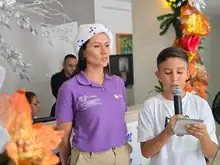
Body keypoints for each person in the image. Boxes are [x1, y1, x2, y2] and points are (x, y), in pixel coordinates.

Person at [56, 23, 130, 165]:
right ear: (83, 51)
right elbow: (63, 137)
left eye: (107, 45)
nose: (104, 51)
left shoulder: (118, 83)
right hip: (89, 159)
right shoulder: (69, 88)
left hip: (121, 155)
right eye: (97, 46)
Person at [137, 47, 218, 165]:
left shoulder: (201, 104)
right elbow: (146, 152)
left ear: (188, 74)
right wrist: (168, 131)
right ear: (158, 75)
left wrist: (203, 137)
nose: (174, 78)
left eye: (180, 72)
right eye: (168, 72)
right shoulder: (150, 106)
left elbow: (212, 155)